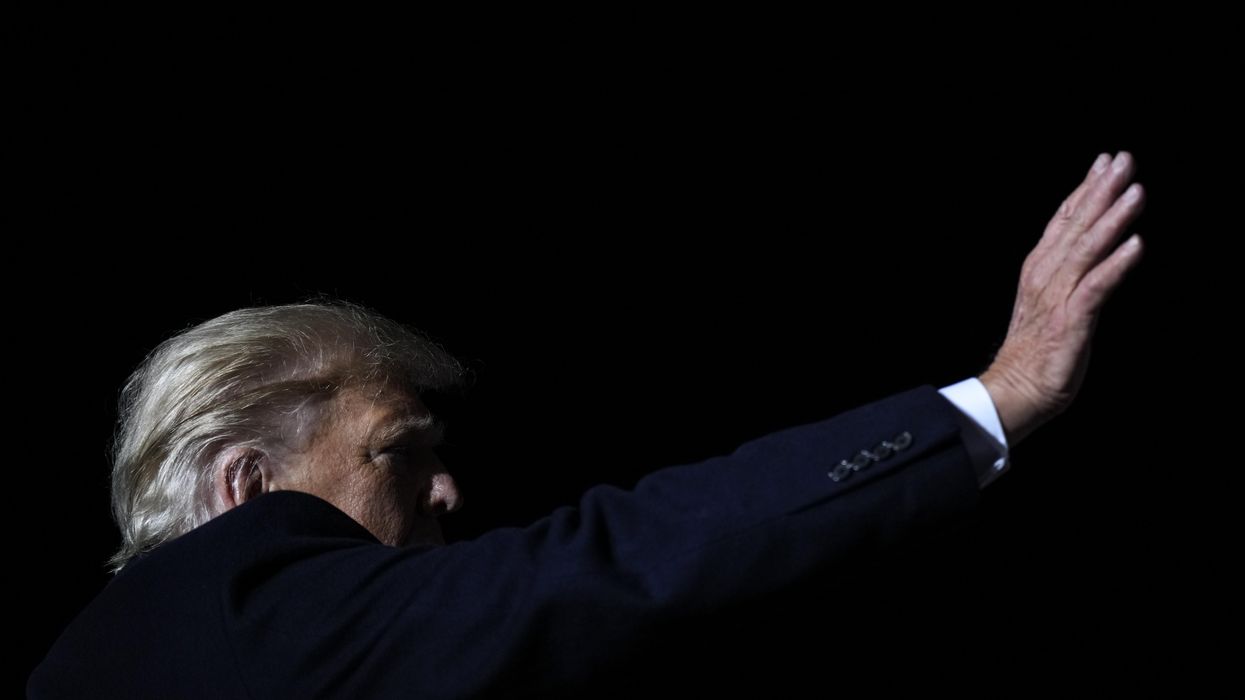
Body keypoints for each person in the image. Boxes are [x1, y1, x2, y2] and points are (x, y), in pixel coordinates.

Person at [28, 151, 1146, 698]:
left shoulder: (89, 663)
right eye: (396, 452)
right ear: (246, 488)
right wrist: (994, 399)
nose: (451, 491)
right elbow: (617, 559)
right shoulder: (248, 598)